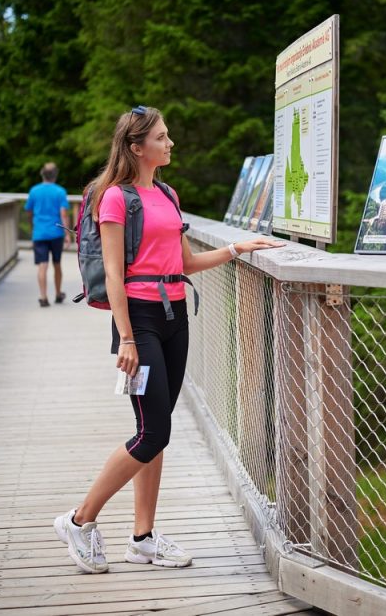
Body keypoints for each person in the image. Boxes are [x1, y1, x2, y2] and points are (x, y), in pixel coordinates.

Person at [53, 105, 283, 573]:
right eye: (161, 137)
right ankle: (80, 520)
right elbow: (115, 273)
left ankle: (143, 538)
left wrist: (239, 247)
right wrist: (127, 338)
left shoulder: (167, 193)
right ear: (137, 147)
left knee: (155, 430)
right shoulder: (115, 198)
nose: (170, 142)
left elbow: (185, 263)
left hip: (176, 313)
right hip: (139, 319)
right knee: (153, 430)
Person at [25, 162, 70, 307]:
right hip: (56, 233)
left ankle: (43, 297)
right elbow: (63, 213)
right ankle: (58, 294)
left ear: (42, 174)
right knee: (57, 264)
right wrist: (67, 234)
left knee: (42, 265)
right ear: (55, 175)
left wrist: (32, 228)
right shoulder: (60, 191)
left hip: (39, 233)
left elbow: (29, 212)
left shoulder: (34, 191)